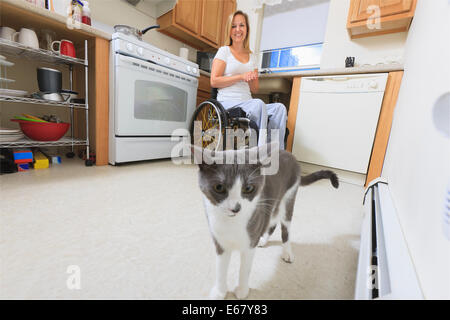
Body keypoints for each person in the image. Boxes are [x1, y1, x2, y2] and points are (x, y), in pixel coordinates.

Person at [210, 10, 287, 149]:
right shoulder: (224, 51)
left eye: (242, 25)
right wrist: (241, 76)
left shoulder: (252, 57)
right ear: (229, 30)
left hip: (247, 103)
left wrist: (251, 79)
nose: (238, 30)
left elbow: (254, 89)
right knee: (258, 104)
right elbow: (214, 81)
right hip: (227, 103)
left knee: (279, 108)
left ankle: (276, 153)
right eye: (234, 26)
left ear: (247, 29)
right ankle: (259, 153)